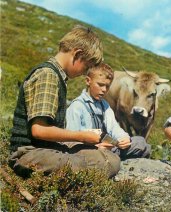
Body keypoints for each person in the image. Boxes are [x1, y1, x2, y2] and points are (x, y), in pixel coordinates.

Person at [9, 25, 120, 178]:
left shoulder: (58, 77)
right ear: (77, 54)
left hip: (47, 149)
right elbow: (39, 130)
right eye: (86, 66)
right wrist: (81, 136)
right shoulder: (47, 76)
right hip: (29, 153)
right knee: (98, 162)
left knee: (107, 158)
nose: (83, 73)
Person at [66, 63, 151, 160]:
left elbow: (114, 127)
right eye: (100, 85)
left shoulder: (105, 105)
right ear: (88, 81)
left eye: (107, 86)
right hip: (85, 150)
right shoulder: (77, 106)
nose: (104, 90)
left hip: (107, 146)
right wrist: (96, 147)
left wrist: (123, 138)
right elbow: (71, 138)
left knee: (141, 141)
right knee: (143, 147)